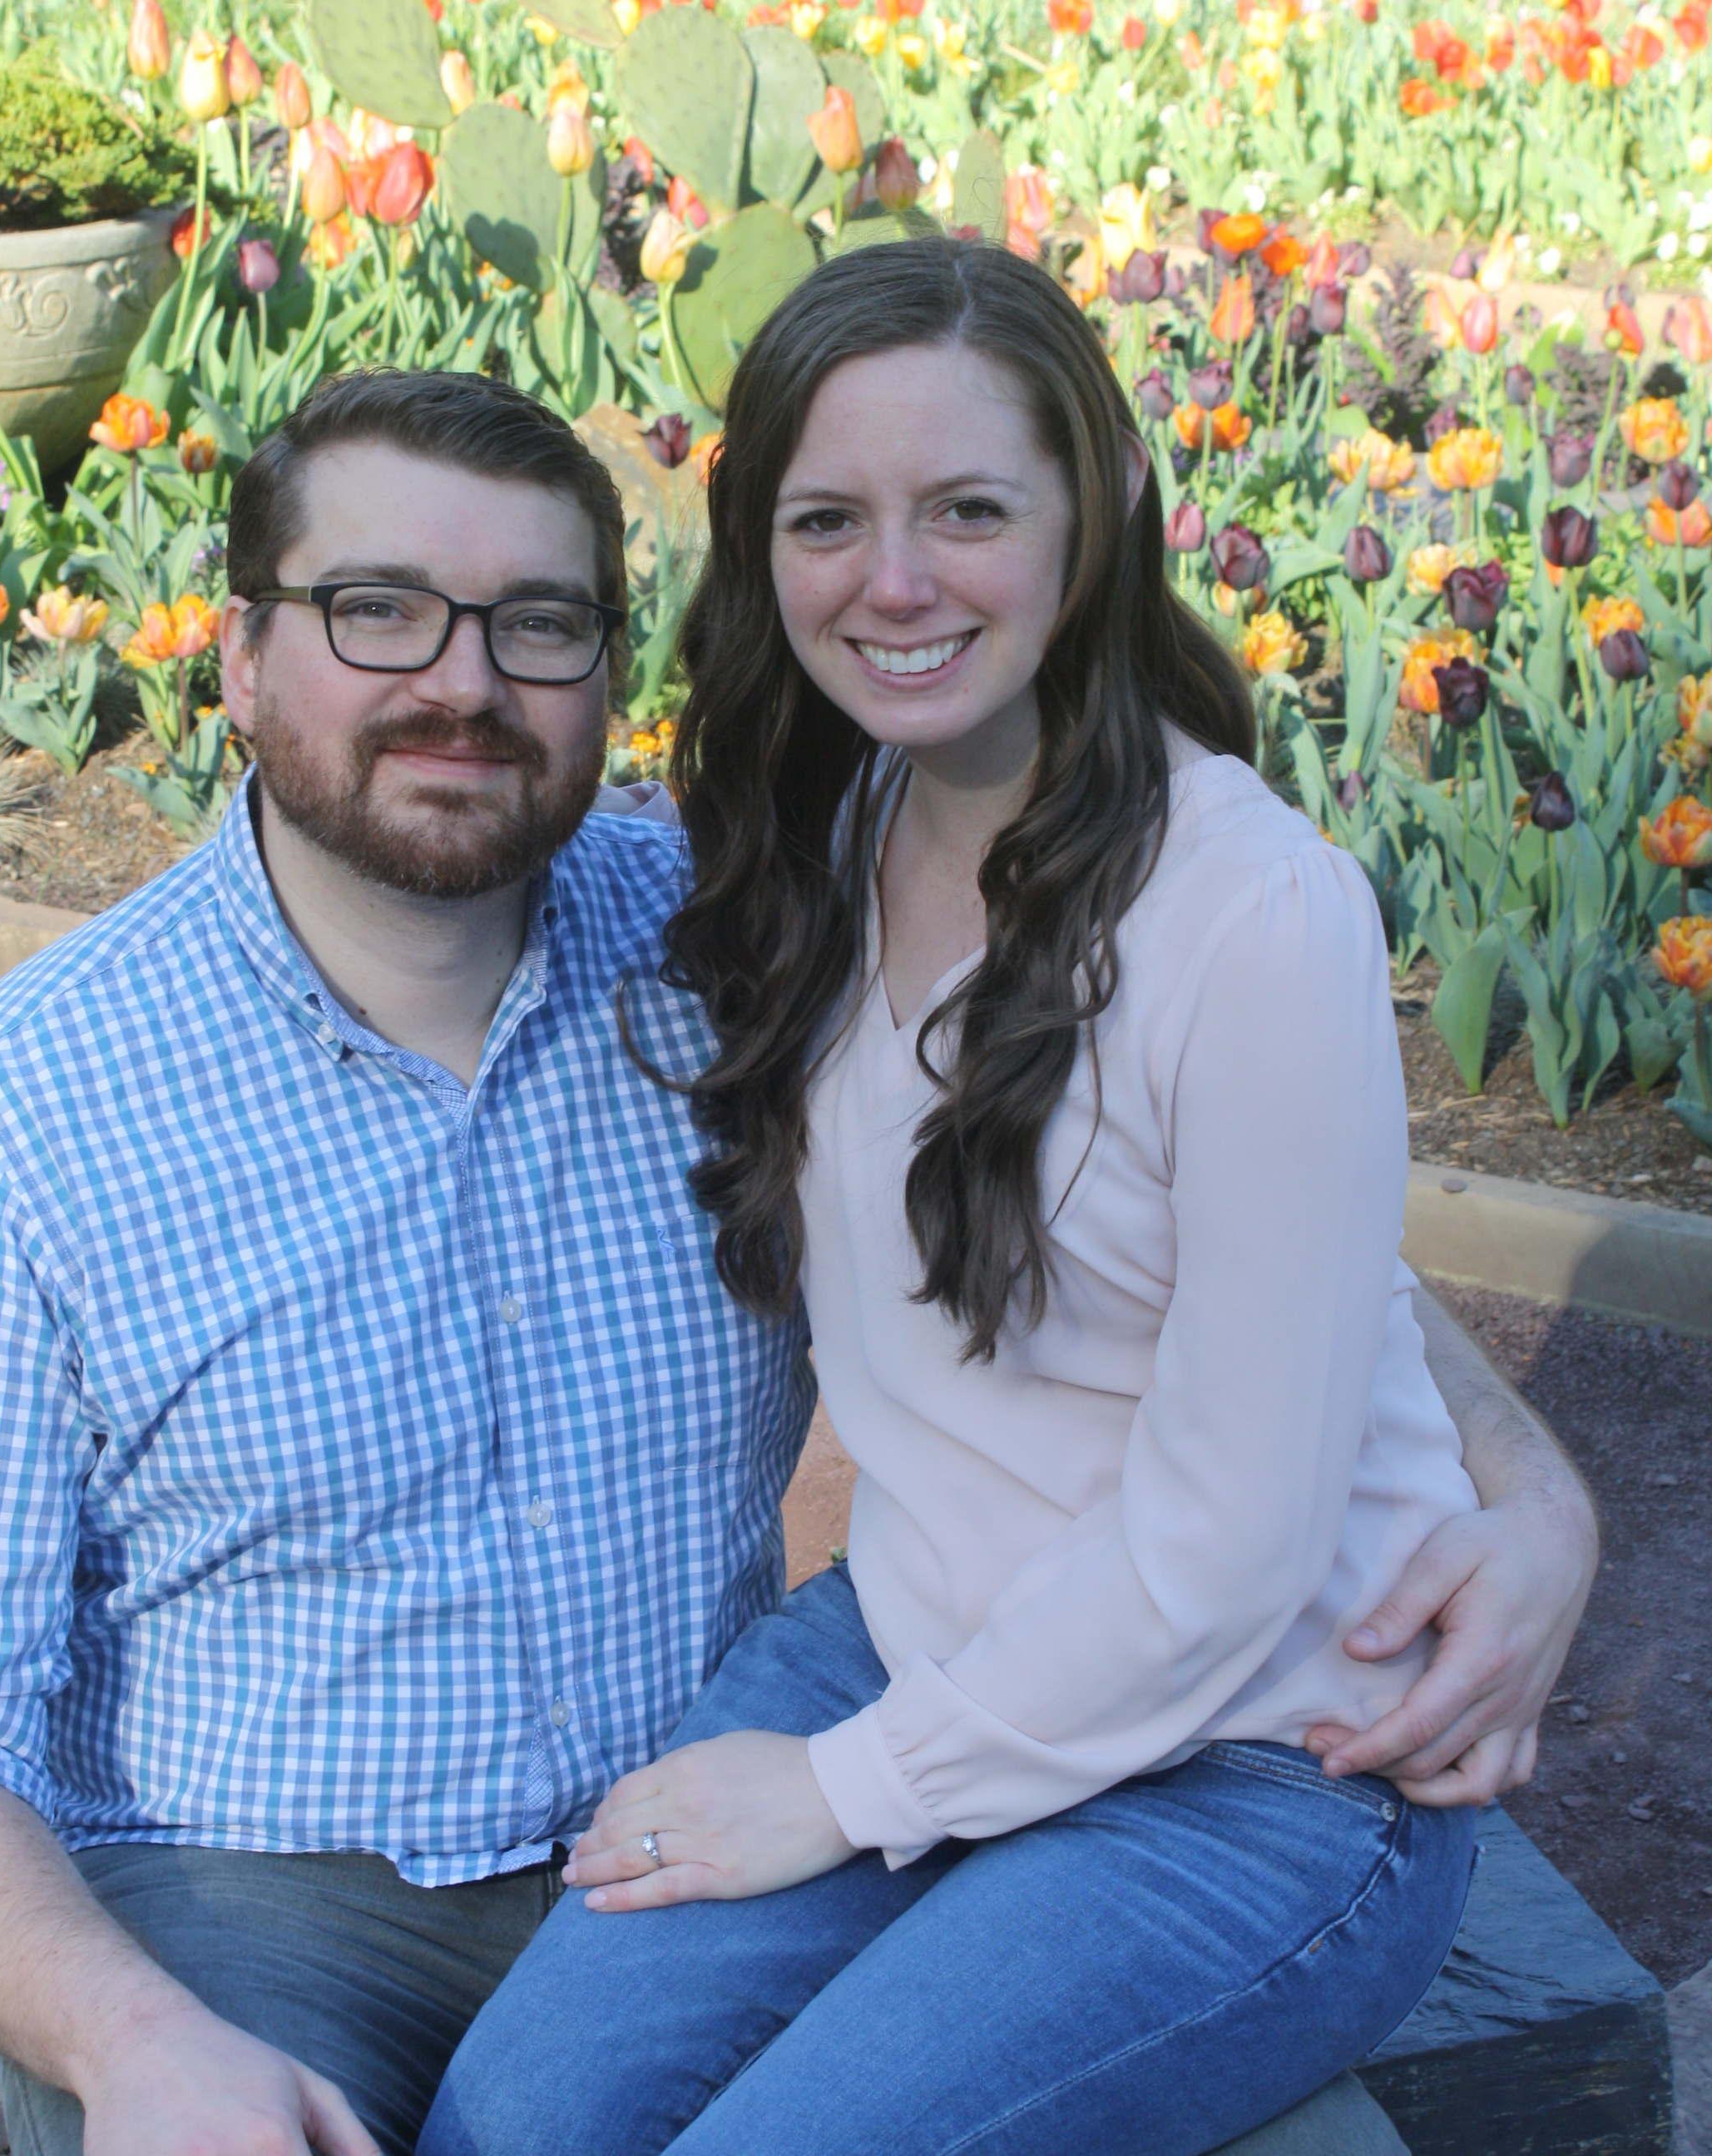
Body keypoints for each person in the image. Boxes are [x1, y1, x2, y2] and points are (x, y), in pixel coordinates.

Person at [0, 365, 1596, 2156]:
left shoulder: (737, 936)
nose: (463, 684)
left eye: (538, 624)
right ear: (242, 654)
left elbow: (1237, 1229)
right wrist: (131, 2047)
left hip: (759, 1791)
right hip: (272, 1897)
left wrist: (1526, 1499)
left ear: (609, 668)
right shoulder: (10, 1130)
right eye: (378, 611)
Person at [418, 240, 1579, 2156]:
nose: (894, 583)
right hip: (925, 1630)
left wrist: (847, 1790)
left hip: (1262, 1762)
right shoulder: (821, 830)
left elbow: (1224, 1556)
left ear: (1101, 505)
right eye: (828, 519)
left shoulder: (1253, 916)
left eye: (969, 509)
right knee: (517, 2125)